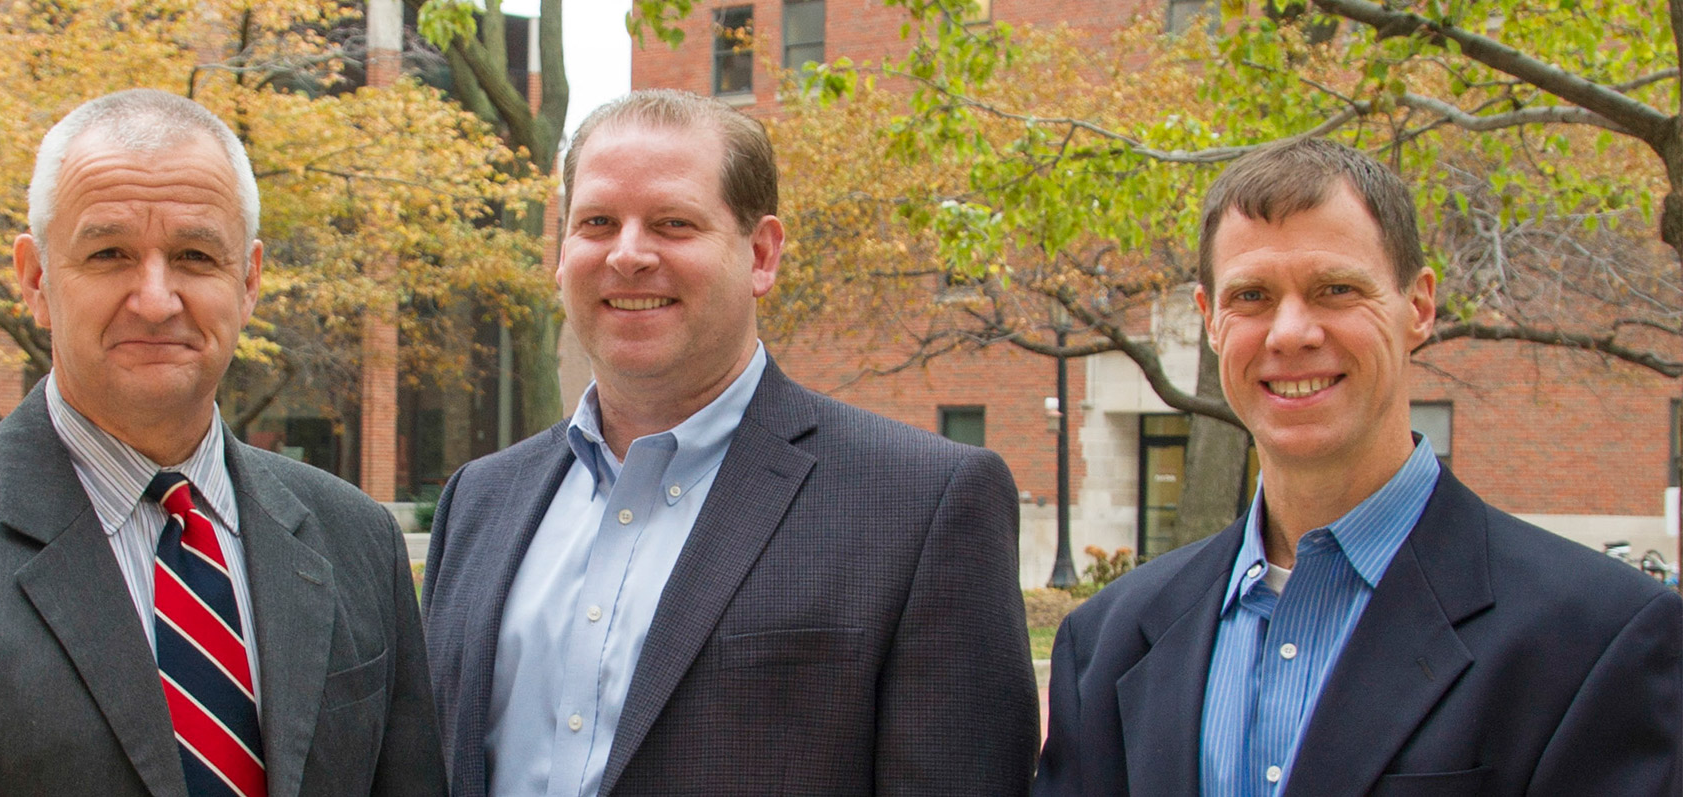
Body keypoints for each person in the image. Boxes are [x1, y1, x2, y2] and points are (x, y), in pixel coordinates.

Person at [0, 89, 445, 796]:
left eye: (194, 255)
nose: (155, 298)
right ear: (34, 278)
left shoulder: (355, 538)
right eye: (110, 252)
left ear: (248, 281)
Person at [421, 89, 1038, 796]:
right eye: (596, 222)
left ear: (762, 253)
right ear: (561, 255)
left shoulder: (921, 506)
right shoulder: (478, 500)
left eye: (673, 223)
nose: (627, 255)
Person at [1034, 138, 1683, 795]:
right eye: (1252, 295)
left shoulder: (1597, 639)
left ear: (1419, 307)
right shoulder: (1107, 643)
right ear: (1209, 320)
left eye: (1335, 289)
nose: (1290, 332)